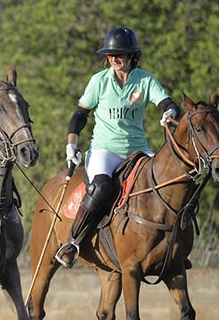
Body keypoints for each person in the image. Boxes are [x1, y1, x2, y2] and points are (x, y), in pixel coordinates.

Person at [54, 27, 182, 268]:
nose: (115, 60)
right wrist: (71, 145)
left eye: (120, 56)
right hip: (105, 151)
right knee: (101, 187)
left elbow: (169, 104)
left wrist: (169, 112)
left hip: (138, 151)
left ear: (132, 56)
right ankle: (73, 242)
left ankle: (176, 246)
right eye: (111, 56)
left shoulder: (145, 80)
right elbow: (80, 115)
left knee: (171, 180)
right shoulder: (99, 81)